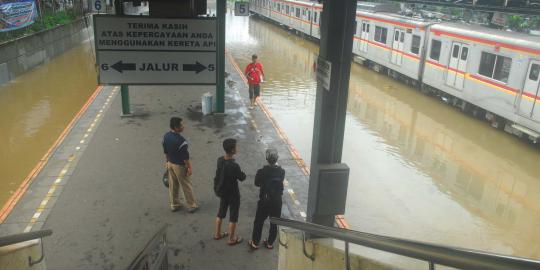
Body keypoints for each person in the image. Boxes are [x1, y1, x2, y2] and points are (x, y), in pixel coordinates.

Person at [248, 148, 285, 250]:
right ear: (277, 158)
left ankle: (255, 243)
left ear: (266, 159)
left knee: (259, 221)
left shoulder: (262, 171)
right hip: (277, 201)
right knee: (274, 222)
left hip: (265, 201)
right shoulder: (282, 171)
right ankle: (269, 243)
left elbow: (256, 183)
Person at [213, 138, 246, 245]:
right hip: (233, 194)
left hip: (223, 192)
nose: (237, 148)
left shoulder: (220, 160)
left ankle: (217, 234)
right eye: (236, 147)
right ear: (232, 150)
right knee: (233, 216)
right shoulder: (234, 166)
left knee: (221, 213)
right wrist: (242, 173)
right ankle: (231, 239)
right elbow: (241, 177)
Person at [163, 117, 199, 213]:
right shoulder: (181, 141)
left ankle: (174, 204)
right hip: (179, 166)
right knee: (186, 185)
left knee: (173, 185)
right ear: (176, 127)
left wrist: (167, 162)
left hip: (170, 163)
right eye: (182, 125)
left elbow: (165, 151)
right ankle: (191, 205)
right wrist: (189, 168)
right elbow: (185, 158)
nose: (184, 126)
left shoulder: (166, 136)